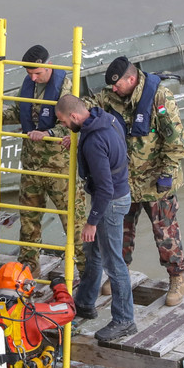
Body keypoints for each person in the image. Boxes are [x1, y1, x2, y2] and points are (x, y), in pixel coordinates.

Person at [85, 56, 184, 306]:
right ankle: (120, 274)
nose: (113, 89)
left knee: (165, 233)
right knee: (119, 232)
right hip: (123, 181)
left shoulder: (160, 99)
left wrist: (166, 174)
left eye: (117, 84)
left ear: (131, 79)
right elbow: (87, 107)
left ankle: (177, 278)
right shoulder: (109, 98)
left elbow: (177, 143)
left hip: (156, 182)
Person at [0, 45, 86, 278]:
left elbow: (74, 122)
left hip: (60, 167)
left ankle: (88, 271)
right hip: (31, 165)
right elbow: (21, 112)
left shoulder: (66, 87)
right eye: (29, 73)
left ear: (48, 66)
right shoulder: (29, 84)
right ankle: (29, 267)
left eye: (37, 73)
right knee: (28, 221)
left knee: (73, 223)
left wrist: (49, 134)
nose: (32, 77)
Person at [55, 95, 136, 342]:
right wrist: (77, 143)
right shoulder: (107, 118)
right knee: (93, 252)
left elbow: (104, 188)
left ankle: (124, 320)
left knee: (114, 263)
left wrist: (92, 221)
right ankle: (86, 303)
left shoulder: (94, 143)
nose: (64, 127)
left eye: (64, 122)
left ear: (75, 117)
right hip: (120, 195)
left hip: (109, 204)